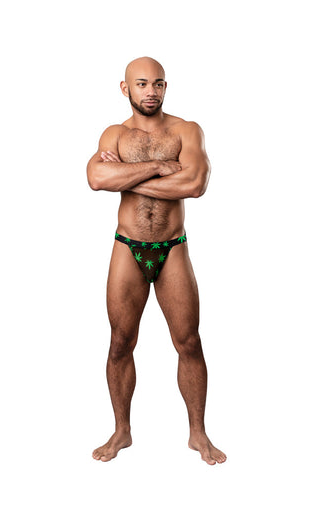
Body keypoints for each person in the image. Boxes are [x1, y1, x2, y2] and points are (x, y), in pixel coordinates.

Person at [87, 57, 226, 465]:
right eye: (142, 83)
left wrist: (128, 175)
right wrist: (161, 168)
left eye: (159, 84)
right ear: (125, 88)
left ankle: (198, 433)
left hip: (172, 247)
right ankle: (122, 431)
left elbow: (195, 183)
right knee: (120, 343)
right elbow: (96, 178)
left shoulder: (186, 130)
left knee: (189, 342)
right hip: (127, 247)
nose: (151, 91)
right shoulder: (114, 134)